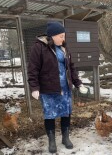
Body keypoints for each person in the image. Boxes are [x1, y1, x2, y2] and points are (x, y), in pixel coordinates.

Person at [27, 21, 88, 153]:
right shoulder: (39, 47)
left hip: (64, 89)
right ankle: (52, 141)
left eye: (64, 36)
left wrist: (78, 83)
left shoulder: (64, 48)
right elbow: (33, 70)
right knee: (50, 115)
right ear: (52, 36)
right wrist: (34, 88)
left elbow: (71, 68)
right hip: (48, 90)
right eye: (61, 36)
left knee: (66, 113)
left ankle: (65, 138)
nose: (63, 39)